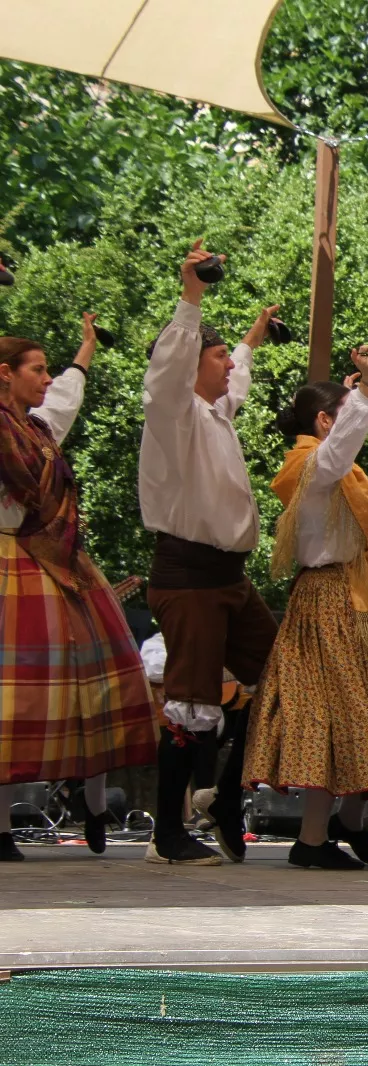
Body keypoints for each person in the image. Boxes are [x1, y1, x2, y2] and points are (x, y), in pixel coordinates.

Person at [242, 348, 368, 870]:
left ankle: (341, 826)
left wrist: (357, 397)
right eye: (342, 417)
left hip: (357, 596)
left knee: (366, 713)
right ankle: (312, 839)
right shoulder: (311, 467)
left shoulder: (335, 468)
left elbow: (342, 451)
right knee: (332, 717)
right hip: (328, 601)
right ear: (324, 421)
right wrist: (367, 391)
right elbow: (337, 453)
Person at [141, 242, 281, 865]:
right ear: (193, 363)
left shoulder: (214, 411)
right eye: (218, 355)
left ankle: (224, 796)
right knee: (191, 701)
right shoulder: (173, 417)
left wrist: (248, 337)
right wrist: (191, 295)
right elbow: (169, 372)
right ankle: (166, 834)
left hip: (227, 577)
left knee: (282, 674)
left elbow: (237, 376)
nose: (229, 365)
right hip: (190, 576)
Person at [0, 315, 158, 862]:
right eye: (36, 369)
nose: (46, 378)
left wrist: (85, 351)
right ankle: (2, 827)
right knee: (12, 695)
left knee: (94, 681)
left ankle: (94, 802)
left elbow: (63, 400)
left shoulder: (37, 430)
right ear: (6, 374)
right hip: (10, 555)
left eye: (48, 369)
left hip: (56, 560)